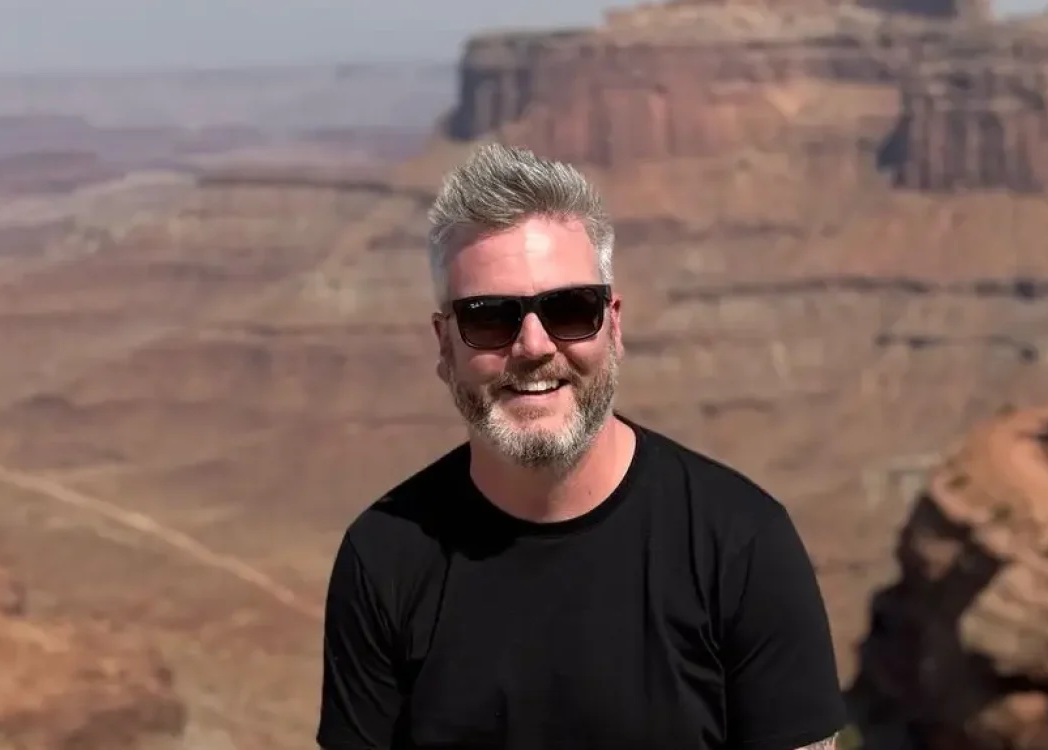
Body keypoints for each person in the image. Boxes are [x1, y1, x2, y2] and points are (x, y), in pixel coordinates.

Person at [317, 143, 847, 750]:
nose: (535, 346)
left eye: (570, 309)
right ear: (445, 345)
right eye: (490, 317)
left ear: (614, 325)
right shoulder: (384, 559)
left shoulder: (742, 544)